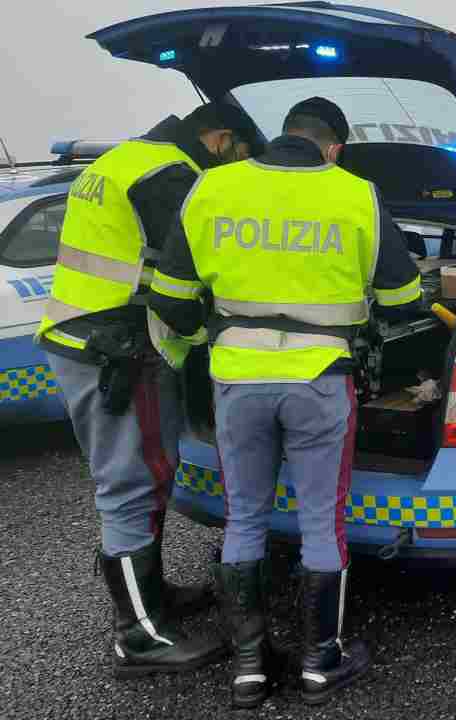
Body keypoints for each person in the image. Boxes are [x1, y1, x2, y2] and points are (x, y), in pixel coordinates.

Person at [148, 97, 427, 708]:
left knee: (243, 517)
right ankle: (319, 663)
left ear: (283, 136)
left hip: (237, 382)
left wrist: (212, 339)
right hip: (319, 382)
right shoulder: (355, 193)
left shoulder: (212, 189)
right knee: (319, 522)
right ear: (333, 148)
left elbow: (168, 299)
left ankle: (249, 667)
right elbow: (406, 296)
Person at [35, 103, 257, 678]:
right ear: (222, 139)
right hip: (116, 348)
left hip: (84, 335)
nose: (233, 170)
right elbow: (190, 272)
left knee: (146, 472)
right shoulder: (170, 173)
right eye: (239, 157)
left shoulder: (124, 158)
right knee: (130, 483)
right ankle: (139, 637)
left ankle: (154, 597)